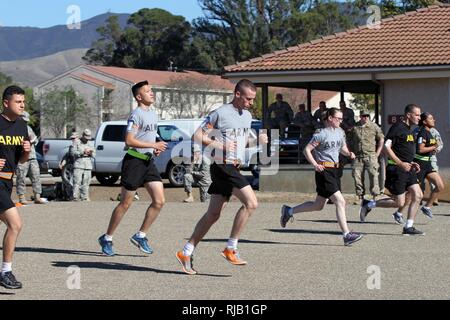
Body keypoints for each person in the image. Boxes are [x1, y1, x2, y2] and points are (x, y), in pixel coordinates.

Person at [176, 79, 268, 275]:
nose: (251, 103)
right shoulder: (219, 113)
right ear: (237, 94)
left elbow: (242, 144)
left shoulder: (247, 115)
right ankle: (231, 248)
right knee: (251, 203)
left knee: (213, 214)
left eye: (253, 99)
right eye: (248, 99)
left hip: (232, 166)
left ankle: (186, 252)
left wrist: (257, 142)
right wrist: (221, 146)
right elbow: (197, 136)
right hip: (222, 165)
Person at [98, 80, 167, 256]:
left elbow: (148, 137)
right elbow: (129, 141)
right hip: (134, 162)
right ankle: (107, 238)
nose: (151, 93)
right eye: (147, 91)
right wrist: (152, 144)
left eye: (151, 90)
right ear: (139, 97)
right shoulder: (136, 115)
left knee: (159, 201)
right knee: (126, 203)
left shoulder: (153, 114)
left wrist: (154, 148)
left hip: (148, 162)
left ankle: (140, 235)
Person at [279, 108, 362, 246]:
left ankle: (289, 211)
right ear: (330, 118)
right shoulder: (321, 134)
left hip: (335, 170)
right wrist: (315, 164)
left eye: (342, 119)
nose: (341, 121)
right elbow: (307, 150)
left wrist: (349, 153)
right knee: (340, 201)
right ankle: (346, 235)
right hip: (324, 170)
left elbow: (341, 148)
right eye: (338, 118)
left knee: (318, 205)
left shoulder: (340, 132)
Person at [359, 104, 425, 235]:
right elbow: (386, 148)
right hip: (397, 169)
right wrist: (401, 163)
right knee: (399, 202)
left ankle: (408, 227)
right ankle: (368, 204)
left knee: (418, 195)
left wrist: (412, 162)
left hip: (408, 169)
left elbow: (403, 151)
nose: (419, 118)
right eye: (417, 115)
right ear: (408, 115)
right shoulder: (397, 128)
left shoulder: (409, 130)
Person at [0, 85, 31, 289]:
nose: (22, 105)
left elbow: (20, 160)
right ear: (6, 103)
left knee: (13, 225)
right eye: (18, 102)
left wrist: (27, 152)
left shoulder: (21, 125)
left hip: (7, 182)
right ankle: (5, 272)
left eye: (23, 102)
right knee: (15, 224)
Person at [413, 112, 444, 218]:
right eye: (431, 118)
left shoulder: (433, 132)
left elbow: (439, 144)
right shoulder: (420, 132)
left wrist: (435, 148)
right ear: (425, 121)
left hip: (429, 162)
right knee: (411, 194)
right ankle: (399, 212)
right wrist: (434, 147)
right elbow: (420, 149)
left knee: (439, 185)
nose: (434, 120)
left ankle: (427, 206)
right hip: (419, 163)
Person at [350, 110, 384, 201]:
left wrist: (378, 153)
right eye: (363, 116)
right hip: (358, 156)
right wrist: (350, 152)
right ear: (360, 116)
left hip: (371, 156)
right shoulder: (355, 127)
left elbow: (381, 138)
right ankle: (360, 196)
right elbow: (348, 140)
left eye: (367, 116)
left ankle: (375, 197)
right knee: (357, 176)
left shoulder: (374, 126)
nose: (365, 118)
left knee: (373, 175)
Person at [15, 111, 47, 205]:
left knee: (36, 176)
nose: (25, 122)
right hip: (21, 158)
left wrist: (32, 139)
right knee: (21, 177)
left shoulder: (28, 128)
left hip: (32, 156)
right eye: (23, 120)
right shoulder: (14, 129)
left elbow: (35, 140)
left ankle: (37, 196)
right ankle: (21, 197)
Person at [71, 129, 95, 201]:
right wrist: (82, 152)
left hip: (88, 165)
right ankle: (75, 197)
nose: (87, 139)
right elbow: (72, 153)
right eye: (86, 137)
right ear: (83, 135)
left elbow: (94, 154)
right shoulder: (76, 142)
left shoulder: (90, 143)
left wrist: (91, 153)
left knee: (86, 182)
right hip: (79, 164)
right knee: (77, 181)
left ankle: (84, 197)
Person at [59, 132, 79, 200]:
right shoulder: (71, 147)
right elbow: (66, 156)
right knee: (69, 183)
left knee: (77, 183)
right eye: (72, 138)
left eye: (74, 138)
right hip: (71, 168)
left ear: (78, 138)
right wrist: (62, 164)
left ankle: (78, 197)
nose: (73, 140)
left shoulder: (81, 146)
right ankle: (70, 197)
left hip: (79, 168)